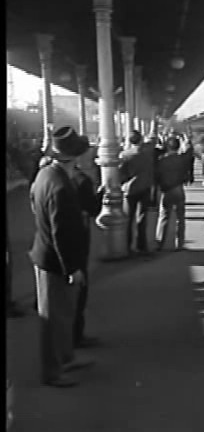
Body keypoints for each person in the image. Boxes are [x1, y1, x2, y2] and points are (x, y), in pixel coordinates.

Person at [29, 126, 95, 387]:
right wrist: (72, 268)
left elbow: (34, 205)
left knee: (63, 315)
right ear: (74, 157)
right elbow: (62, 233)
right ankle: (52, 372)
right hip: (54, 261)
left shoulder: (44, 175)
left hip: (45, 254)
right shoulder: (61, 187)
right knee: (53, 320)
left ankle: (65, 357)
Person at [70, 154, 104, 348]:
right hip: (79, 236)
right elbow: (92, 209)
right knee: (80, 286)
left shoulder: (47, 176)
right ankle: (76, 335)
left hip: (53, 239)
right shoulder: (82, 181)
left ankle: (67, 336)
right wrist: (100, 195)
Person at [118, 130, 155, 255]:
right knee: (142, 217)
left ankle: (127, 246)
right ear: (141, 139)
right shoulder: (148, 152)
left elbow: (121, 173)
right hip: (145, 187)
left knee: (128, 218)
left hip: (130, 189)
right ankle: (142, 245)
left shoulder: (125, 155)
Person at [154, 136, 193, 251]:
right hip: (179, 189)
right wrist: (187, 140)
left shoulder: (161, 161)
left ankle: (160, 242)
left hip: (166, 190)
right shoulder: (182, 159)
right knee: (180, 218)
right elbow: (189, 151)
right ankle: (179, 243)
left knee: (164, 216)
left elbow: (157, 175)